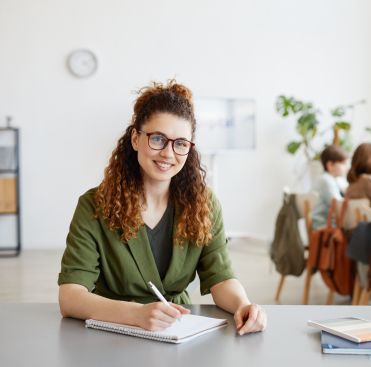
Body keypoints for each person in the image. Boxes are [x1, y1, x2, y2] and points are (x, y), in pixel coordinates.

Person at [58, 80, 266, 335]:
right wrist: (136, 315)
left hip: (176, 332)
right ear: (135, 138)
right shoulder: (94, 205)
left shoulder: (204, 204)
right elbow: (70, 297)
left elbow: (221, 279)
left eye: (180, 143)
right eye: (158, 138)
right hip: (112, 332)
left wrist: (242, 305)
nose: (168, 153)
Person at [311, 145, 349, 229]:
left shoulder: (336, 179)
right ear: (330, 165)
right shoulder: (326, 180)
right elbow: (337, 205)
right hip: (323, 226)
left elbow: (346, 190)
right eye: (343, 163)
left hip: (328, 225)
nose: (347, 167)